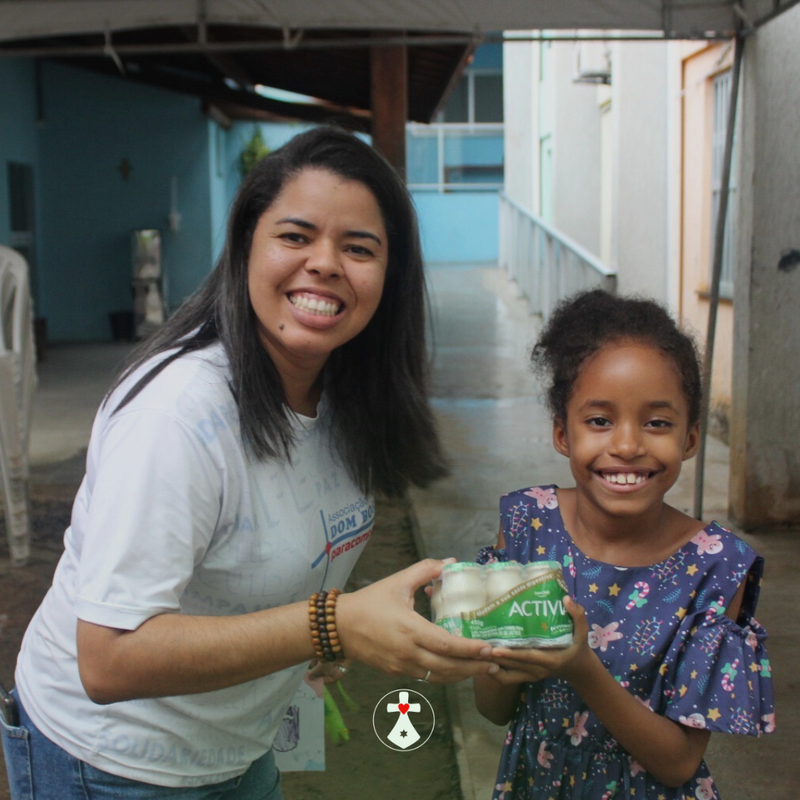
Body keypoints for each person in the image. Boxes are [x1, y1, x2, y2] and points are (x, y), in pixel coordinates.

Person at [1, 126, 500, 800]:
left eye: (358, 248)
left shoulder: (347, 394)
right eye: (295, 237)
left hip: (239, 748)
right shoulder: (176, 416)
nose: (325, 263)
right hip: (114, 764)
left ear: (390, 275)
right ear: (244, 250)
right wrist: (332, 624)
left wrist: (320, 643)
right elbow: (109, 658)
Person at [473, 290, 775, 800]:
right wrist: (498, 645)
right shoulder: (527, 528)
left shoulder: (716, 569)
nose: (629, 445)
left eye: (658, 422)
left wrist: (580, 666)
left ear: (690, 438)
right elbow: (494, 707)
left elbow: (679, 762)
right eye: (599, 421)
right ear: (562, 433)